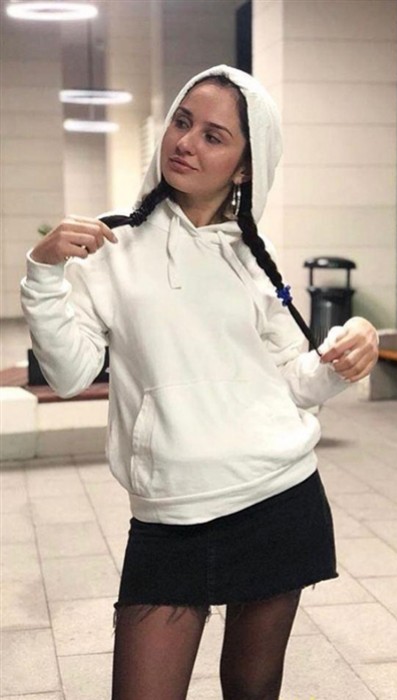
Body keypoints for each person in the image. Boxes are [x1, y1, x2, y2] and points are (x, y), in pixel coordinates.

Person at [21, 65, 378, 700]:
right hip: (171, 515)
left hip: (279, 498)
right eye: (182, 122)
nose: (186, 142)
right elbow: (70, 375)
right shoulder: (111, 245)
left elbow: (293, 383)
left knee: (251, 689)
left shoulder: (254, 257)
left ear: (244, 167)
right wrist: (43, 274)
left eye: (214, 136)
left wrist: (349, 349)